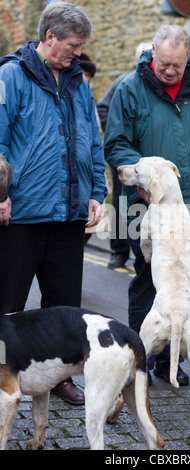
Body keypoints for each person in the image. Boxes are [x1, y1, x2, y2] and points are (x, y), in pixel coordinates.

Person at [0, 2, 107, 405]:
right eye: (73, 45)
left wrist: (98, 190)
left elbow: (92, 141)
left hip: (68, 214)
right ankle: (0, 374)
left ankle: (59, 377)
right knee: (7, 307)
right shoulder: (10, 76)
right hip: (20, 216)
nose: (78, 53)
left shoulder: (79, 82)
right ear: (49, 38)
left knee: (65, 309)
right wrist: (0, 195)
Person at [104, 24, 190, 385]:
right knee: (148, 280)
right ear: (152, 51)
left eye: (177, 66)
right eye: (164, 62)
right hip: (141, 203)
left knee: (185, 283)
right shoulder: (129, 89)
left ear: (188, 58)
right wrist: (147, 184)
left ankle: (171, 359)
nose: (169, 70)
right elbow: (116, 144)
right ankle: (140, 358)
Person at [97, 42, 152, 269]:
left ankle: (145, 249)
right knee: (121, 204)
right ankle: (118, 252)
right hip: (124, 156)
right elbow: (102, 108)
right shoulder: (123, 82)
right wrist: (117, 132)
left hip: (150, 158)